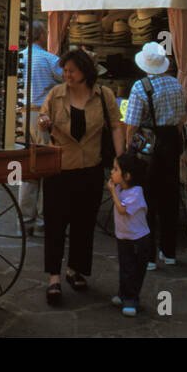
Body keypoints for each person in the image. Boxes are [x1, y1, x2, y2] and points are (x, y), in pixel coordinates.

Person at [37, 48, 123, 305]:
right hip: (59, 170)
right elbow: (43, 116)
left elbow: (116, 126)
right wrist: (43, 121)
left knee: (84, 224)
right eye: (64, 70)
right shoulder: (56, 94)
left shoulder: (103, 95)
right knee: (55, 224)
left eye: (71, 70)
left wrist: (121, 158)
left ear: (85, 71)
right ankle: (53, 277)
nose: (67, 75)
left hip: (90, 169)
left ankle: (75, 270)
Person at [124, 41, 187, 270]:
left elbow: (131, 125)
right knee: (169, 198)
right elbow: (182, 119)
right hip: (170, 143)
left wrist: (127, 149)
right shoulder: (175, 85)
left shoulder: (140, 88)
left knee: (147, 199)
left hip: (149, 147)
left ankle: (148, 255)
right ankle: (169, 252)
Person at [17, 21, 63, 229]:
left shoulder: (18, 58)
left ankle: (24, 218)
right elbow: (67, 81)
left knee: (25, 168)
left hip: (19, 118)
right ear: (42, 35)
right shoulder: (50, 59)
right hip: (41, 117)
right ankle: (44, 220)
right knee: (46, 167)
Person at [108, 152, 150, 317]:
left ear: (127, 175)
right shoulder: (120, 187)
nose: (112, 172)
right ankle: (123, 293)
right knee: (125, 267)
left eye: (115, 169)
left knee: (134, 269)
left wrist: (112, 192)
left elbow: (122, 209)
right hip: (124, 237)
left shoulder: (136, 192)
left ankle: (131, 298)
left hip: (138, 239)